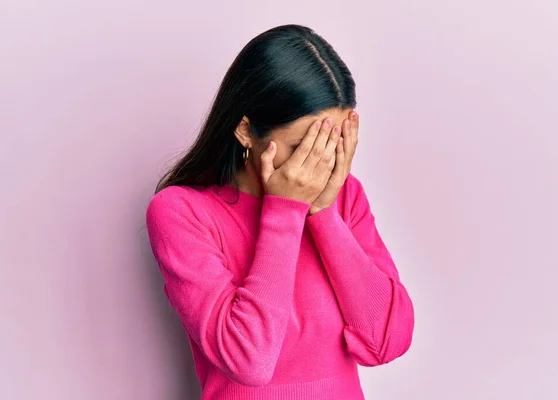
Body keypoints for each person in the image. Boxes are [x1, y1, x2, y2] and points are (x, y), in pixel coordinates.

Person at [146, 24, 414, 400]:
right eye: (303, 145)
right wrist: (285, 211)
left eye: (332, 143)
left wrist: (323, 213)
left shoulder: (345, 196)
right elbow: (250, 361)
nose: (319, 163)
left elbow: (388, 341)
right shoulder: (181, 212)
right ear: (245, 131)